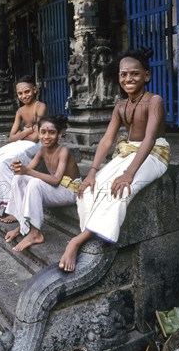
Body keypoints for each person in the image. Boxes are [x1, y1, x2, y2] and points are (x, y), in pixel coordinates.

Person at [59, 48, 170, 272]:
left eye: (135, 74)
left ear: (146, 76)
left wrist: (129, 173)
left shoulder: (154, 101)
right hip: (128, 152)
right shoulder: (120, 105)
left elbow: (149, 140)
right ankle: (88, 232)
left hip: (154, 154)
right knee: (88, 188)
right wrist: (91, 172)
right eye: (123, 74)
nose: (128, 79)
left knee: (120, 190)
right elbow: (107, 140)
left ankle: (77, 241)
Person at [3, 115, 81, 252]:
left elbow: (56, 180)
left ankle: (35, 232)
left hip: (70, 191)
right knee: (18, 179)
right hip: (56, 189)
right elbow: (27, 171)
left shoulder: (64, 151)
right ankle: (23, 226)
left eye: (51, 132)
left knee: (35, 184)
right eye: (43, 132)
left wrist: (27, 171)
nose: (46, 136)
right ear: (38, 133)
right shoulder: (42, 150)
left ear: (60, 134)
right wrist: (18, 168)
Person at [0, 75, 47, 217]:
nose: (24, 96)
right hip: (19, 144)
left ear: (34, 90)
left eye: (27, 91)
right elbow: (11, 137)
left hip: (36, 145)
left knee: (2, 162)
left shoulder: (40, 107)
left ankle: (15, 207)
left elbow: (36, 138)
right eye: (20, 93)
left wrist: (22, 133)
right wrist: (28, 130)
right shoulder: (20, 111)